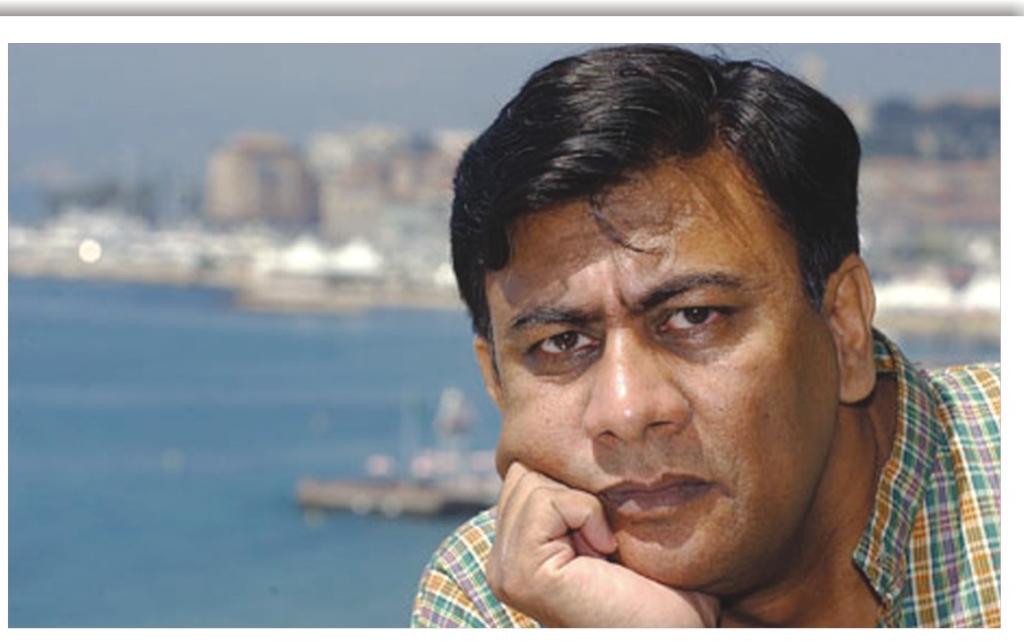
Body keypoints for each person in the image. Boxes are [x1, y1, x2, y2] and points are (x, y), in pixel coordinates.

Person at [410, 45, 1000, 628]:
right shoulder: (497, 599)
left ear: (843, 328)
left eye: (694, 317)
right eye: (562, 343)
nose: (626, 411)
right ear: (496, 384)